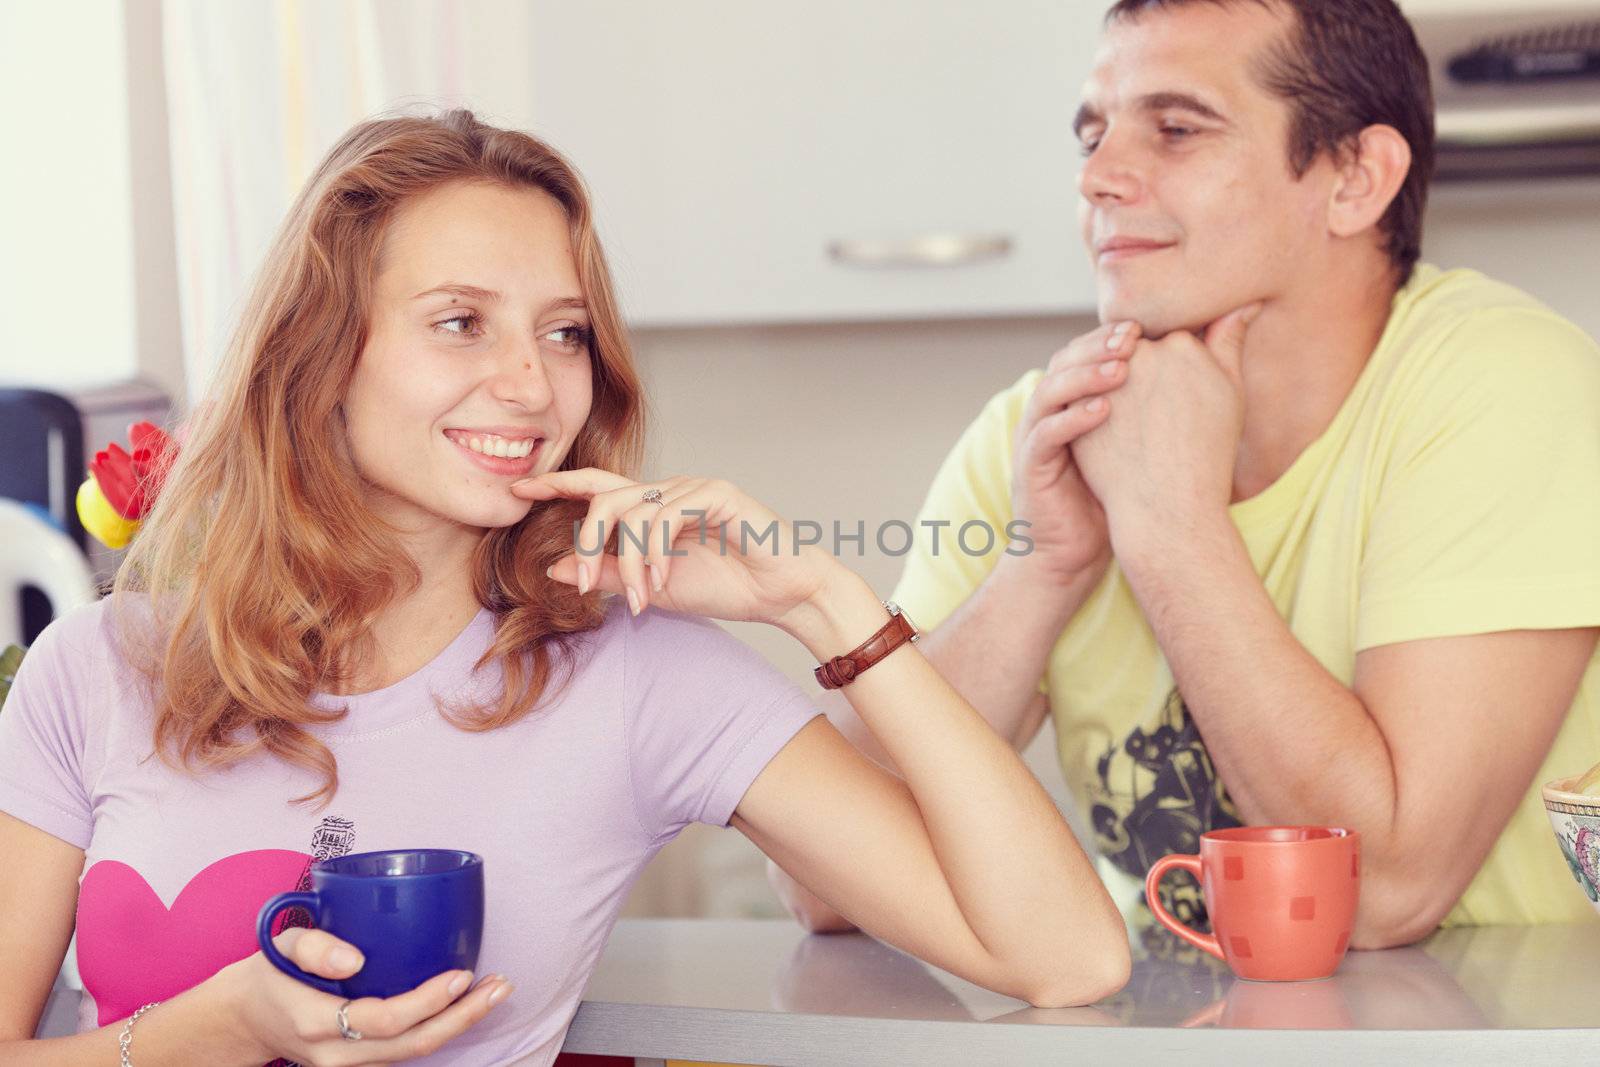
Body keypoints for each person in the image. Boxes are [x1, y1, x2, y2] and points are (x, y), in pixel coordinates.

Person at [0, 110, 1131, 1066]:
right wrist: (224, 1021)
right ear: (319, 352)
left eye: (564, 331)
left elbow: (1065, 954)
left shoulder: (637, 678)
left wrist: (824, 604)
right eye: (459, 322)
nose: (529, 381)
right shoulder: (98, 668)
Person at [771, 0, 1600, 947]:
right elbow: (823, 886)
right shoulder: (1038, 432)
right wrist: (1040, 570)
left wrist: (1170, 526)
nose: (1097, 177)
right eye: (1093, 135)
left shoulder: (1504, 383)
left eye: (1176, 129)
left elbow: (1387, 889)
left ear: (1355, 179)